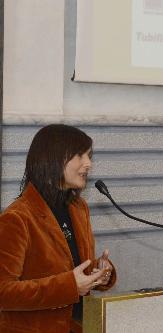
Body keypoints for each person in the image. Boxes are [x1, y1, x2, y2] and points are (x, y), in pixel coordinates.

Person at [0, 124, 117, 333]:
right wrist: (70, 287)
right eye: (80, 156)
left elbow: (74, 272)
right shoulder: (17, 218)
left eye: (89, 156)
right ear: (53, 158)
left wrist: (99, 273)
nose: (88, 164)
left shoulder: (79, 208)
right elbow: (3, 292)